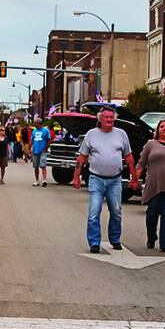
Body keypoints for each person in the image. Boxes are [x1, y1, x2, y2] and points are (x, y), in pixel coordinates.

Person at [72, 107, 136, 253]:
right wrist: (76, 176)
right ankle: (94, 242)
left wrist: (134, 176)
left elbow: (129, 157)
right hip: (96, 179)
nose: (109, 120)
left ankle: (115, 239)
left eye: (112, 118)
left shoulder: (121, 134)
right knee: (94, 211)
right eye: (106, 117)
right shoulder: (91, 135)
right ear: (100, 118)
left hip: (115, 179)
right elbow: (81, 157)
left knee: (116, 211)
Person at [134, 119, 165, 254]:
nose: (164, 128)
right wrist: (135, 178)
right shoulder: (151, 144)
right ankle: (152, 237)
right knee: (152, 214)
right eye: (161, 126)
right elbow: (141, 164)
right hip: (154, 185)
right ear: (157, 130)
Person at [30, 117, 53, 187]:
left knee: (43, 165)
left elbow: (49, 139)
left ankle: (44, 180)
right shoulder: (34, 131)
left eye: (35, 123)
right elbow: (32, 140)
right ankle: (37, 181)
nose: (34, 124)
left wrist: (46, 148)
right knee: (36, 166)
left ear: (39, 123)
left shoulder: (46, 131)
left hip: (43, 151)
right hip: (35, 151)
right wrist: (28, 149)